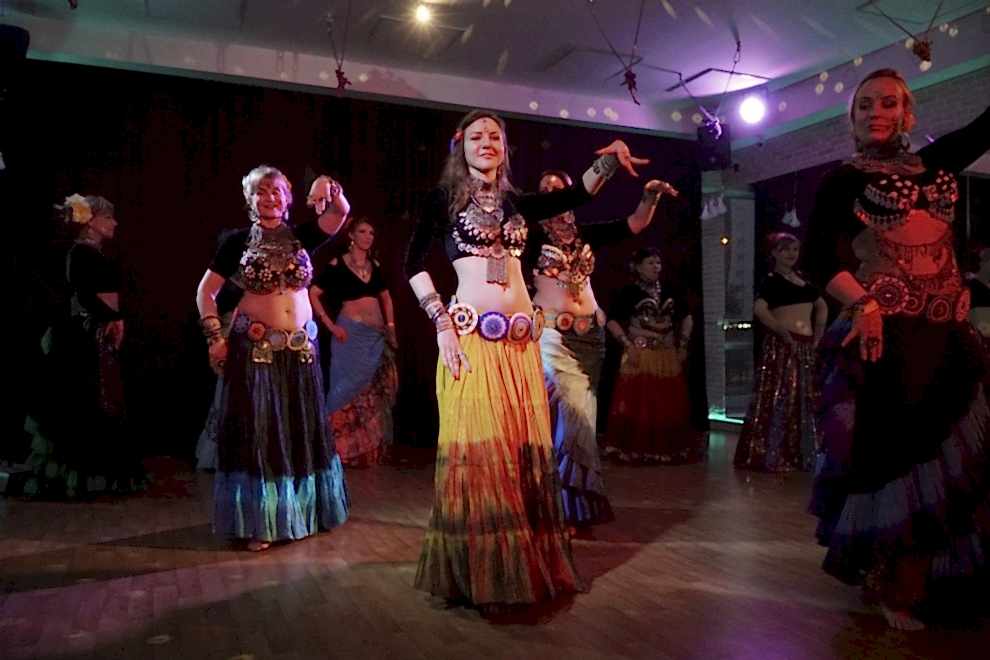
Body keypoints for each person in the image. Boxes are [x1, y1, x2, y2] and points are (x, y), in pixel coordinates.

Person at [404, 109, 649, 606]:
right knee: (484, 454)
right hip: (473, 341)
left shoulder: (517, 202)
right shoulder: (442, 200)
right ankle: (482, 572)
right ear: (460, 145)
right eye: (477, 136)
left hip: (520, 347)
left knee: (521, 455)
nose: (487, 142)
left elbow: (576, 196)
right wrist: (442, 324)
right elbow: (413, 264)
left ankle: (518, 565)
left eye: (495, 136)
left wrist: (608, 161)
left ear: (504, 146)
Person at [805, 68, 990, 630]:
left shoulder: (934, 165)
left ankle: (944, 578)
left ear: (908, 114)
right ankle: (896, 583)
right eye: (865, 105)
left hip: (947, 331)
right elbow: (819, 259)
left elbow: (984, 128)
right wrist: (863, 304)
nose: (876, 112)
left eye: (888, 103)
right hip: (889, 334)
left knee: (954, 453)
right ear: (853, 119)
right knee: (899, 456)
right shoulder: (842, 181)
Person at [195, 167, 351, 551]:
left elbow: (340, 213)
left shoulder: (301, 236)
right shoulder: (236, 242)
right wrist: (215, 337)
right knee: (262, 433)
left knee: (299, 429)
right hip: (256, 350)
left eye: (277, 191)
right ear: (249, 199)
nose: (270, 198)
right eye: (261, 192)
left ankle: (304, 514)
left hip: (300, 351)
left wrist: (327, 186)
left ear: (288, 198)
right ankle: (262, 522)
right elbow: (205, 293)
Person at [532, 169, 676, 525]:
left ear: (572, 193)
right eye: (544, 190)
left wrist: (651, 195)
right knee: (572, 413)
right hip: (551, 334)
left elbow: (635, 223)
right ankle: (561, 503)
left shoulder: (586, 234)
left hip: (590, 339)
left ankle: (571, 504)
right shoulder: (529, 235)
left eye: (558, 189)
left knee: (582, 419)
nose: (551, 194)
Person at [25, 194, 143, 497]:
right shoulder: (80, 253)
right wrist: (113, 317)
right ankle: (81, 476)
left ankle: (98, 474)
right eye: (108, 217)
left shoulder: (93, 253)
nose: (114, 223)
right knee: (86, 401)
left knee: (103, 400)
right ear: (91, 222)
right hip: (84, 337)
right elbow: (84, 295)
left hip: (97, 333)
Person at [310, 218, 399, 467]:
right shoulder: (337, 264)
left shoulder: (375, 265)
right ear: (351, 235)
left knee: (372, 393)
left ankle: (366, 452)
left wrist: (391, 327)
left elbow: (386, 297)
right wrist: (330, 325)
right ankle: (338, 451)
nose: (368, 236)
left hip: (375, 337)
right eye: (362, 231)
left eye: (372, 232)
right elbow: (313, 293)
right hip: (350, 336)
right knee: (345, 390)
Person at [734, 232, 826, 472]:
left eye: (795, 249)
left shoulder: (803, 279)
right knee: (781, 397)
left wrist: (818, 335)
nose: (791, 254)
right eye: (785, 249)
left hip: (805, 346)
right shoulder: (771, 280)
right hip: (784, 347)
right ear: (774, 253)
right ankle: (774, 453)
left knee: (804, 399)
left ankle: (801, 453)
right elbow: (759, 309)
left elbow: (821, 305)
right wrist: (781, 332)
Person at [604, 248, 705, 464]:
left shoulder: (670, 289)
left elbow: (687, 317)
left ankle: (667, 449)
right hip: (641, 355)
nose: (656, 267)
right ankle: (639, 449)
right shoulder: (629, 291)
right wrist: (627, 344)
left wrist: (683, 345)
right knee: (642, 402)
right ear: (638, 267)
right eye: (650, 263)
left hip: (667, 355)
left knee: (667, 402)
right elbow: (611, 320)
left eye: (658, 263)